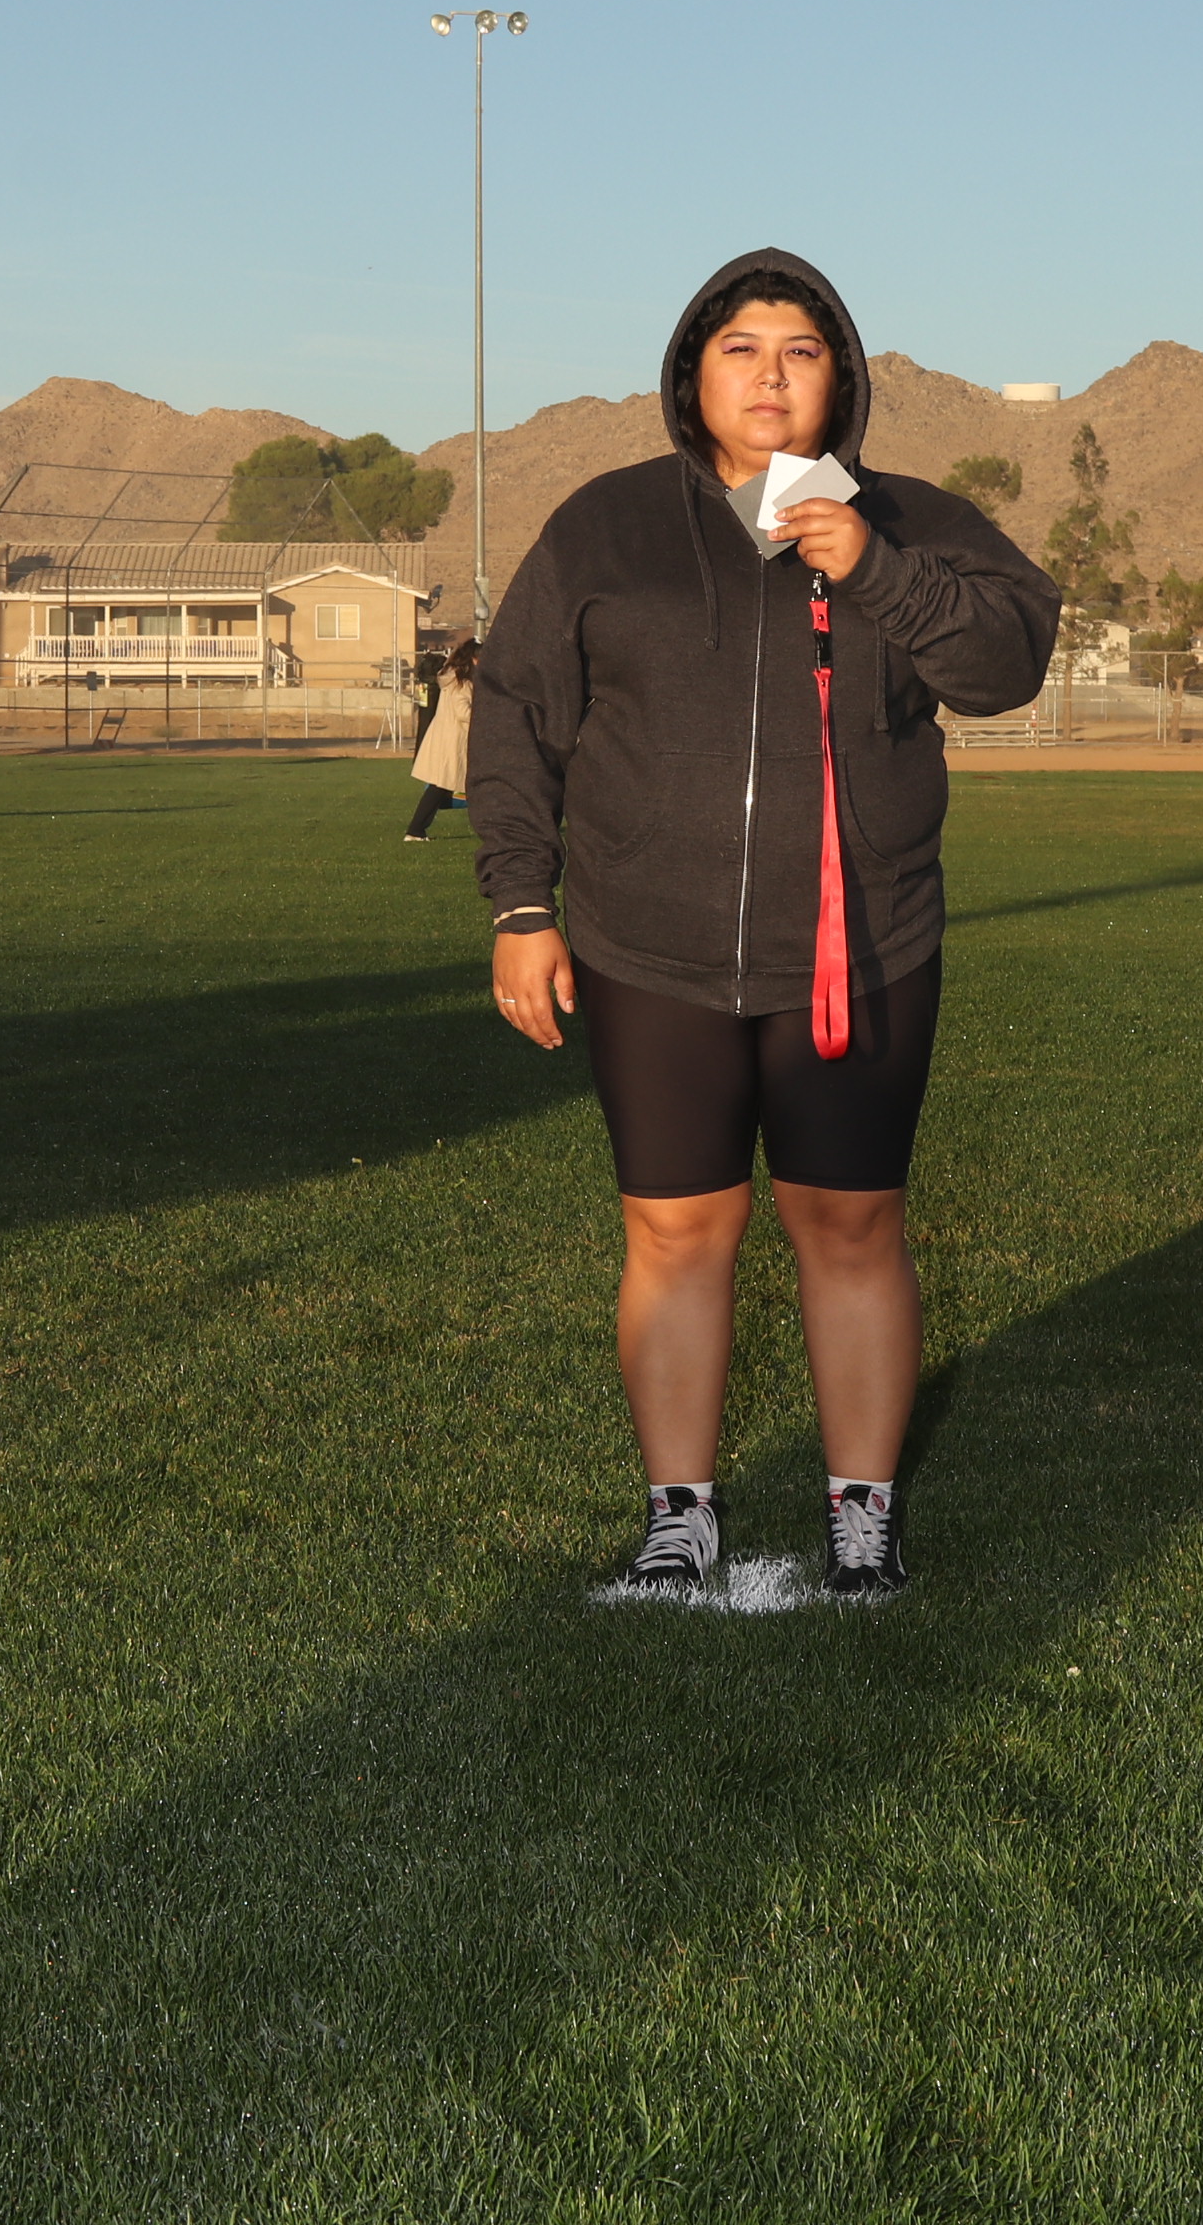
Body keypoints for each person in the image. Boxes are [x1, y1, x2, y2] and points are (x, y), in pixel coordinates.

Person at [472, 250, 1059, 1600]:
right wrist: (521, 904)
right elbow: (516, 714)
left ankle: (864, 1517)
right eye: (741, 348)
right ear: (693, 375)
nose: (771, 375)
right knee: (676, 1232)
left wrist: (878, 569)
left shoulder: (913, 522)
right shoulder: (606, 528)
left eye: (801, 350)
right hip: (649, 949)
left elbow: (1005, 666)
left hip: (862, 949)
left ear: (841, 378)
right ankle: (680, 1518)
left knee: (849, 1225)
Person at [402, 637, 478, 841]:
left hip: (446, 740)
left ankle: (416, 830)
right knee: (441, 787)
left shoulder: (452, 680)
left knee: (442, 787)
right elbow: (463, 712)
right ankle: (415, 830)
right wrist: (484, 718)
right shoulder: (462, 683)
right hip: (453, 742)